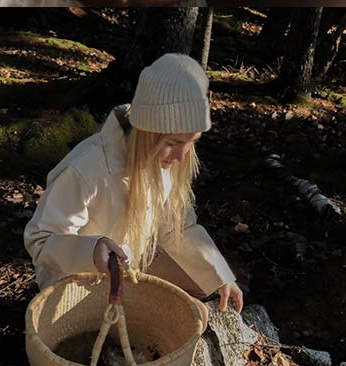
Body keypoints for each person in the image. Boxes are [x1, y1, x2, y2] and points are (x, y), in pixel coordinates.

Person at [24, 53, 242, 317]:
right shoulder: (87, 168)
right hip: (76, 281)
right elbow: (41, 239)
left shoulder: (167, 163)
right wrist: (91, 251)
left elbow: (178, 226)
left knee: (192, 313)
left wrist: (220, 275)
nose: (182, 157)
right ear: (147, 132)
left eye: (193, 141)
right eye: (173, 143)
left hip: (130, 268)